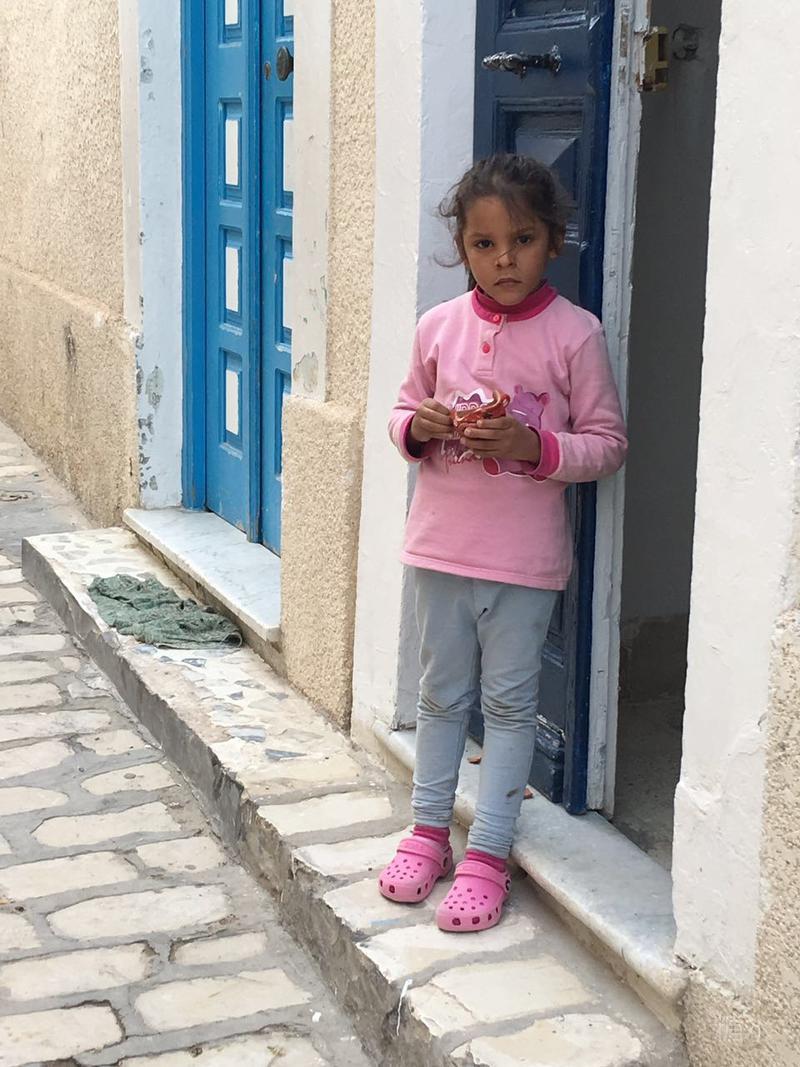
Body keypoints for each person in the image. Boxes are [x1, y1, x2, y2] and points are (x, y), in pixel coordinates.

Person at [378, 154, 627, 932]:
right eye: (484, 244)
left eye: (521, 240)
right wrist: (419, 425)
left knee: (510, 705)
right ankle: (427, 832)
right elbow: (401, 413)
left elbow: (607, 444)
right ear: (463, 247)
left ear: (552, 240)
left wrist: (533, 445)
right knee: (439, 695)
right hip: (439, 549)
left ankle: (487, 850)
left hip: (523, 562)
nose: (504, 259)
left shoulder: (576, 335)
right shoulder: (437, 328)